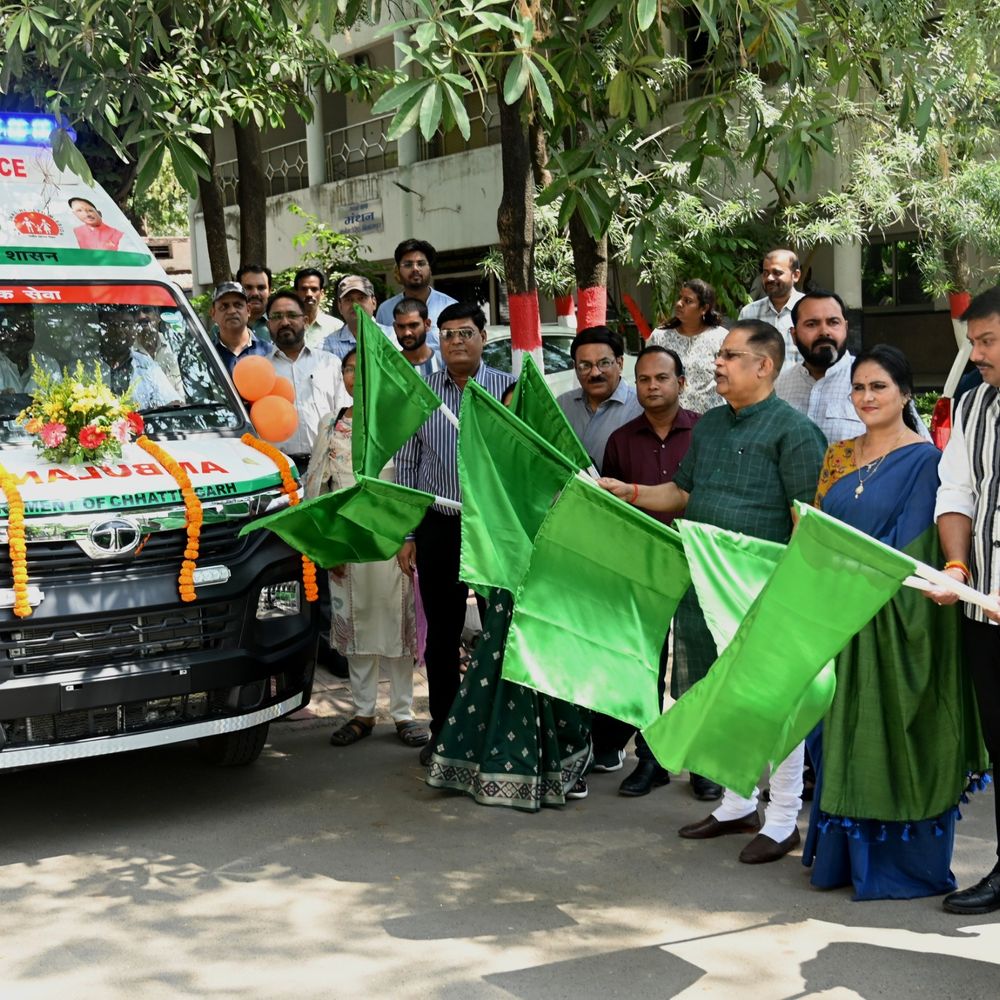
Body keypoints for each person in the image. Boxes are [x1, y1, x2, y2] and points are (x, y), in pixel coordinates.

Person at [601, 319, 827, 864]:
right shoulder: (710, 427)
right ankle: (736, 803)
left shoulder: (795, 432)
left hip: (765, 593)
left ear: (764, 366)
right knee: (726, 697)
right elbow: (680, 493)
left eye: (729, 355)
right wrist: (624, 490)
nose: (717, 364)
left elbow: (808, 524)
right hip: (708, 588)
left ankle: (782, 818)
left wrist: (792, 599)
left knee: (778, 705)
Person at [804, 344, 983, 900]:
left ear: (905, 394)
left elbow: (911, 551)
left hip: (891, 619)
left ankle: (894, 867)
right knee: (832, 736)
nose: (865, 397)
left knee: (891, 732)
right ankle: (837, 858)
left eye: (878, 387)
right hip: (837, 616)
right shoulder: (838, 455)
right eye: (858, 388)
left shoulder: (925, 461)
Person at [395, 302, 514, 764]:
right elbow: (407, 465)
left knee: (499, 628)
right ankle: (444, 731)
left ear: (484, 337)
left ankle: (499, 730)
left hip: (493, 530)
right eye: (447, 334)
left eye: (466, 333)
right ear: (435, 339)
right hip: (438, 526)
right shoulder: (420, 393)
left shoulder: (508, 390)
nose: (456, 342)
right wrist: (408, 534)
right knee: (442, 634)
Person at [303, 347, 430, 750]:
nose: (354, 376)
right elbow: (318, 489)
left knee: (399, 626)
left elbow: (414, 485)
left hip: (395, 544)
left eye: (362, 369)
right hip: (348, 543)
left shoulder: (400, 424)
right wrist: (329, 547)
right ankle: (362, 712)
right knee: (355, 629)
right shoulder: (331, 424)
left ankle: (404, 713)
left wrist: (410, 538)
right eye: (348, 369)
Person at [600, 346, 703, 798]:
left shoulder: (705, 433)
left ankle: (702, 760)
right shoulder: (621, 441)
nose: (652, 386)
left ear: (681, 382)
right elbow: (611, 509)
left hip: (698, 561)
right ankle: (651, 758)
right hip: (644, 566)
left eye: (662, 378)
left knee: (699, 662)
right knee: (646, 663)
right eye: (643, 379)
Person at [929, 286, 1000, 914]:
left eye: (988, 341)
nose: (976, 354)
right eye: (973, 341)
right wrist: (957, 568)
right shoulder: (975, 404)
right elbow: (957, 491)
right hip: (984, 611)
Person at [777, 290, 932, 444]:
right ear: (794, 335)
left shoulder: (880, 380)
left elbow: (919, 448)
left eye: (833, 322)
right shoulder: (779, 386)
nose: (824, 332)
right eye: (812, 324)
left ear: (846, 328)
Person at [265, 289, 348, 475]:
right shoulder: (259, 370)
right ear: (269, 324)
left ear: (306, 321)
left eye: (292, 315)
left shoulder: (329, 363)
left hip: (326, 466)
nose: (285, 322)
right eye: (277, 316)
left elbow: (344, 415)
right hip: (277, 470)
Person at [556, 325, 642, 473]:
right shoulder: (562, 406)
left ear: (620, 363)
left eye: (604, 363)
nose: (595, 373)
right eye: (585, 365)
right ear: (575, 367)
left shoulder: (641, 407)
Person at [648, 279, 728, 413]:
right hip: (670, 418)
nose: (679, 304)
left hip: (711, 417)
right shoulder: (660, 337)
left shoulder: (721, 337)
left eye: (688, 301)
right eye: (680, 298)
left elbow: (731, 379)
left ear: (704, 308)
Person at [375, 239, 457, 354]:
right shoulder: (385, 310)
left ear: (430, 269)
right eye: (408, 264)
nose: (415, 269)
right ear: (398, 270)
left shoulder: (450, 307)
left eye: (421, 263)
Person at [97, 306, 180, 409]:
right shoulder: (85, 364)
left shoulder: (147, 365)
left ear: (135, 329)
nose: (119, 330)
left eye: (126, 324)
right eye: (111, 324)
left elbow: (172, 403)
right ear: (100, 328)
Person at [738, 249, 804, 372]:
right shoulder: (749, 313)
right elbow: (740, 356)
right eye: (765, 273)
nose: (769, 278)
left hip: (801, 389)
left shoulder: (810, 310)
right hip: (760, 390)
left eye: (777, 273)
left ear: (795, 275)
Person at [322, 275, 393, 359]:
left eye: (361, 298)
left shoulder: (391, 336)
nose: (356, 305)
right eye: (349, 300)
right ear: (340, 307)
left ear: (374, 303)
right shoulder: (328, 344)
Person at [210, 281, 270, 377]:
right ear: (213, 314)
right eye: (224, 306)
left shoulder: (268, 352)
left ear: (248, 310)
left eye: (238, 305)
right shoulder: (206, 355)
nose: (232, 311)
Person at [0, 305, 60, 393]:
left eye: (28, 326)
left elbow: (60, 399)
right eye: (15, 326)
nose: (23, 332)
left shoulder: (48, 364)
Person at [135, 305, 185, 398]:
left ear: (158, 317)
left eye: (146, 310)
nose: (141, 316)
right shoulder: (129, 349)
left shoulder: (172, 345)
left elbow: (180, 390)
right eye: (137, 312)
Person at [294, 267, 345, 350]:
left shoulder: (336, 327)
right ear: (295, 293)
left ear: (322, 294)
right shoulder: (288, 326)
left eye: (314, 289)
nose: (309, 294)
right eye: (304, 289)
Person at [393, 298, 443, 376]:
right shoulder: (387, 365)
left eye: (413, 325)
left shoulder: (445, 362)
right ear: (395, 327)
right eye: (401, 326)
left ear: (427, 324)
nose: (407, 333)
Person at [237, 263, 273, 342]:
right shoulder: (221, 328)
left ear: (270, 291)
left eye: (261, 288)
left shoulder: (281, 324)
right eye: (248, 287)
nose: (255, 293)